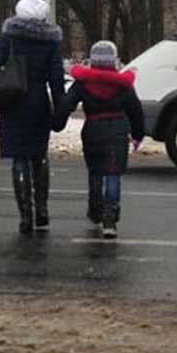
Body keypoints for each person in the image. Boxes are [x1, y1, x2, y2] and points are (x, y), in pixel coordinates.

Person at [0, 0, 65, 235]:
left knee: (19, 158)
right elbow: (56, 80)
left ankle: (25, 216)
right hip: (38, 104)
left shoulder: (9, 38)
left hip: (13, 103)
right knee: (39, 157)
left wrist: (2, 85)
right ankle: (42, 211)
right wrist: (59, 109)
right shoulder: (50, 42)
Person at [54, 41, 145, 239]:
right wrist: (138, 135)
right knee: (113, 174)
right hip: (118, 130)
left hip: (93, 130)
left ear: (92, 61)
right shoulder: (123, 86)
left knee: (95, 171)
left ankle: (95, 211)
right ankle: (110, 218)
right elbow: (136, 111)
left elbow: (66, 104)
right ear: (115, 61)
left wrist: (57, 123)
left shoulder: (83, 84)